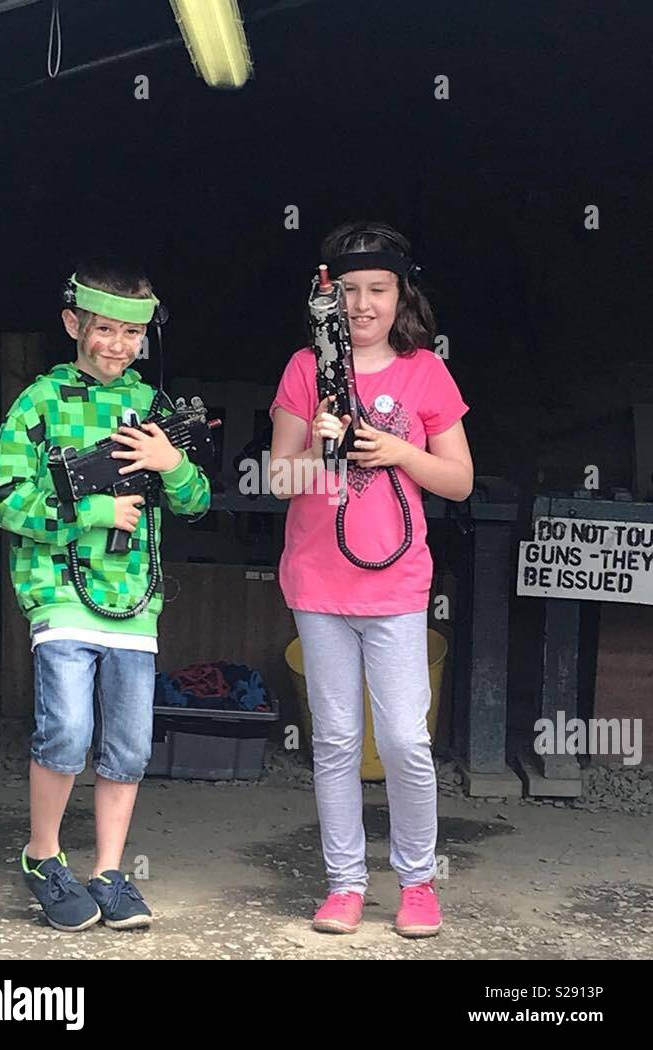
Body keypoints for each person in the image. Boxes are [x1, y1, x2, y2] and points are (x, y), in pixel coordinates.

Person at [0, 257, 211, 932]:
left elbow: (197, 503)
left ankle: (110, 872)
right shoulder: (40, 401)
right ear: (72, 324)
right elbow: (2, 497)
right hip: (59, 593)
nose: (117, 345)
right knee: (69, 730)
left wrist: (174, 465)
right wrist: (91, 514)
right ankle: (42, 856)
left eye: (131, 334)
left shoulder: (153, 408)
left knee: (131, 743)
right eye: (103, 329)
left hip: (134, 600)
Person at [269, 222, 473, 937]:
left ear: (400, 293)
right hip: (319, 582)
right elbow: (278, 475)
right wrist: (322, 448)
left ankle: (418, 882)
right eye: (349, 290)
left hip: (395, 583)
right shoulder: (304, 369)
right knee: (334, 738)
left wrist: (394, 450)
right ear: (328, 297)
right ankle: (345, 883)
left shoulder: (425, 372)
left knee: (405, 740)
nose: (362, 304)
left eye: (377, 289)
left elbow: (458, 477)